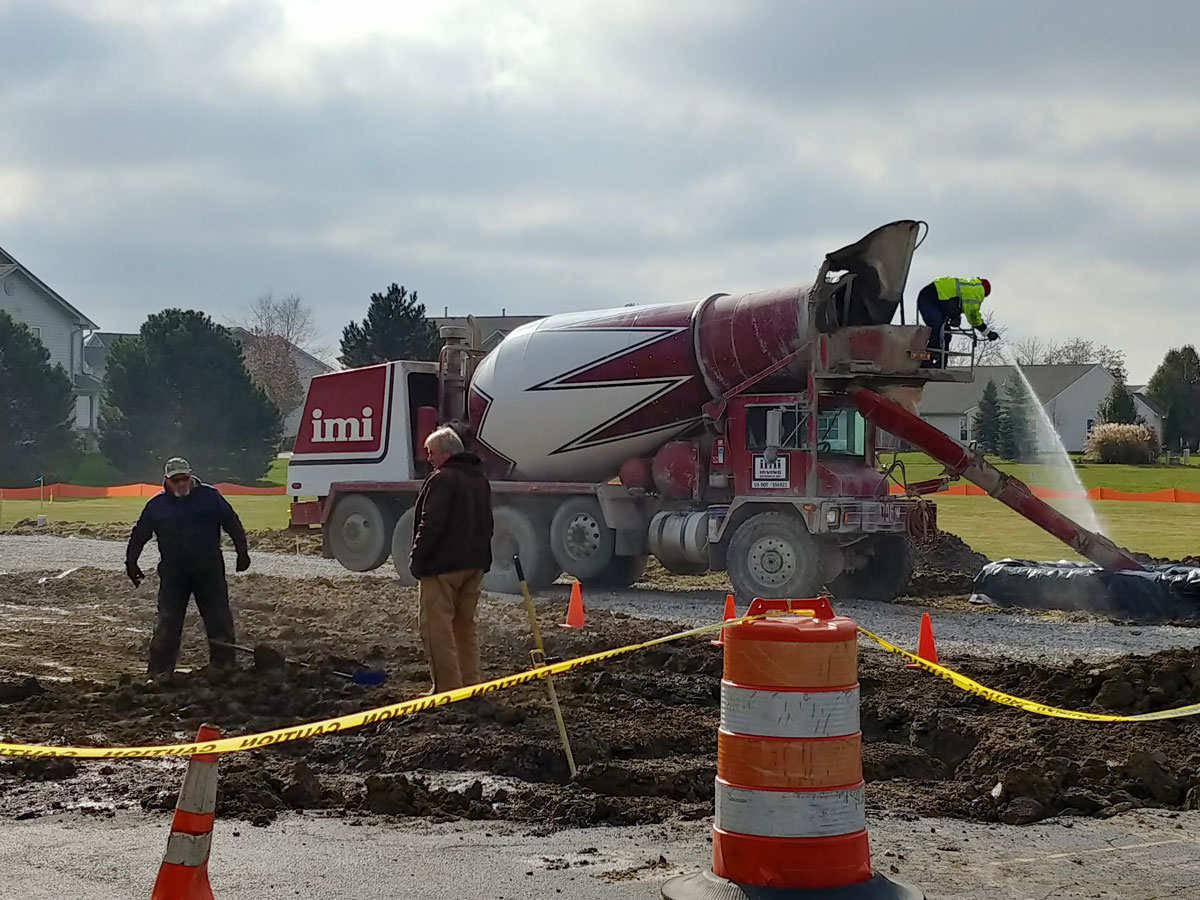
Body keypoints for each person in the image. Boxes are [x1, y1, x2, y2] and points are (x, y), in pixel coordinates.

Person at [125, 457, 250, 682]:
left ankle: (224, 667)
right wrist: (131, 562)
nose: (182, 483)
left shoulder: (210, 498)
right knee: (168, 621)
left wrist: (242, 552)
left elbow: (232, 522)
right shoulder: (157, 506)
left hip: (208, 569)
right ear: (167, 481)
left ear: (191, 475)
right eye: (176, 480)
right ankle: (160, 671)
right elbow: (140, 533)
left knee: (218, 618)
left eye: (185, 478)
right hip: (174, 573)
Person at [410, 426, 494, 693]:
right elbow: (489, 523)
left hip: (442, 567)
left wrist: (417, 558)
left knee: (436, 627)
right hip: (474, 564)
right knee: (464, 626)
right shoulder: (479, 480)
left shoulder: (443, 480)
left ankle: (446, 689)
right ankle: (471, 683)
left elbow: (431, 523)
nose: (428, 458)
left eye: (431, 452)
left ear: (446, 453)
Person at [917, 276, 999, 367]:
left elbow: (951, 301)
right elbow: (973, 316)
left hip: (932, 297)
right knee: (938, 329)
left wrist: (955, 316)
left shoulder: (969, 286)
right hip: (930, 298)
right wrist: (987, 332)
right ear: (985, 293)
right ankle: (927, 359)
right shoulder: (977, 291)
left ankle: (940, 363)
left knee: (945, 333)